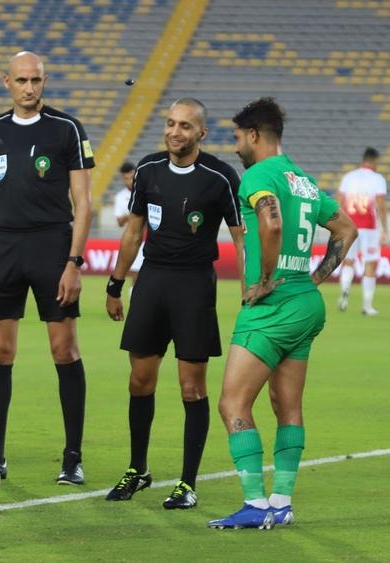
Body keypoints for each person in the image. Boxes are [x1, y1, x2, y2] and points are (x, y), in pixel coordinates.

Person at [208, 97, 357, 529]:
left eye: (238, 138)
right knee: (286, 406)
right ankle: (282, 501)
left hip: (271, 308)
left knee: (233, 403)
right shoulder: (305, 180)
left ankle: (255, 505)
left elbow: (269, 222)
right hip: (305, 304)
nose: (235, 146)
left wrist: (266, 277)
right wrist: (314, 278)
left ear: (254, 135)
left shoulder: (258, 175)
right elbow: (347, 229)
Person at [104, 98, 245, 509]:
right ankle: (138, 469)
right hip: (152, 281)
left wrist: (249, 287)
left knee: (191, 387)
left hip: (195, 285)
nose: (174, 132)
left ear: (201, 133)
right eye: (169, 123)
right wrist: (115, 285)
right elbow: (133, 232)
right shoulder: (146, 170)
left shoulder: (220, 177)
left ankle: (187, 482)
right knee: (139, 380)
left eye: (185, 126)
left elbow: (240, 237)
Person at [0, 51, 93, 485]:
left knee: (64, 351)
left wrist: (73, 263)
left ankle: (72, 455)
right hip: (2, 248)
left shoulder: (67, 128)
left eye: (36, 80)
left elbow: (84, 202)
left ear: (45, 80)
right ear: (7, 82)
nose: (30, 88)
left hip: (53, 245)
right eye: (21, 80)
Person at [336, 147, 387, 316]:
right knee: (370, 263)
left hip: (349, 225)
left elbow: (339, 201)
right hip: (368, 227)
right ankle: (367, 306)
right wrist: (385, 228)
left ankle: (344, 293)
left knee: (348, 261)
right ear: (374, 161)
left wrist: (338, 224)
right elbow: (380, 204)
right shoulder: (377, 179)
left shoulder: (348, 177)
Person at [112, 160, 142, 287]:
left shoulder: (145, 191)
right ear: (122, 179)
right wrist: (134, 213)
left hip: (151, 239)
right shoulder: (120, 197)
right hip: (133, 239)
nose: (130, 181)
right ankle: (134, 305)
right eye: (126, 178)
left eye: (132, 177)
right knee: (136, 276)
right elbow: (119, 221)